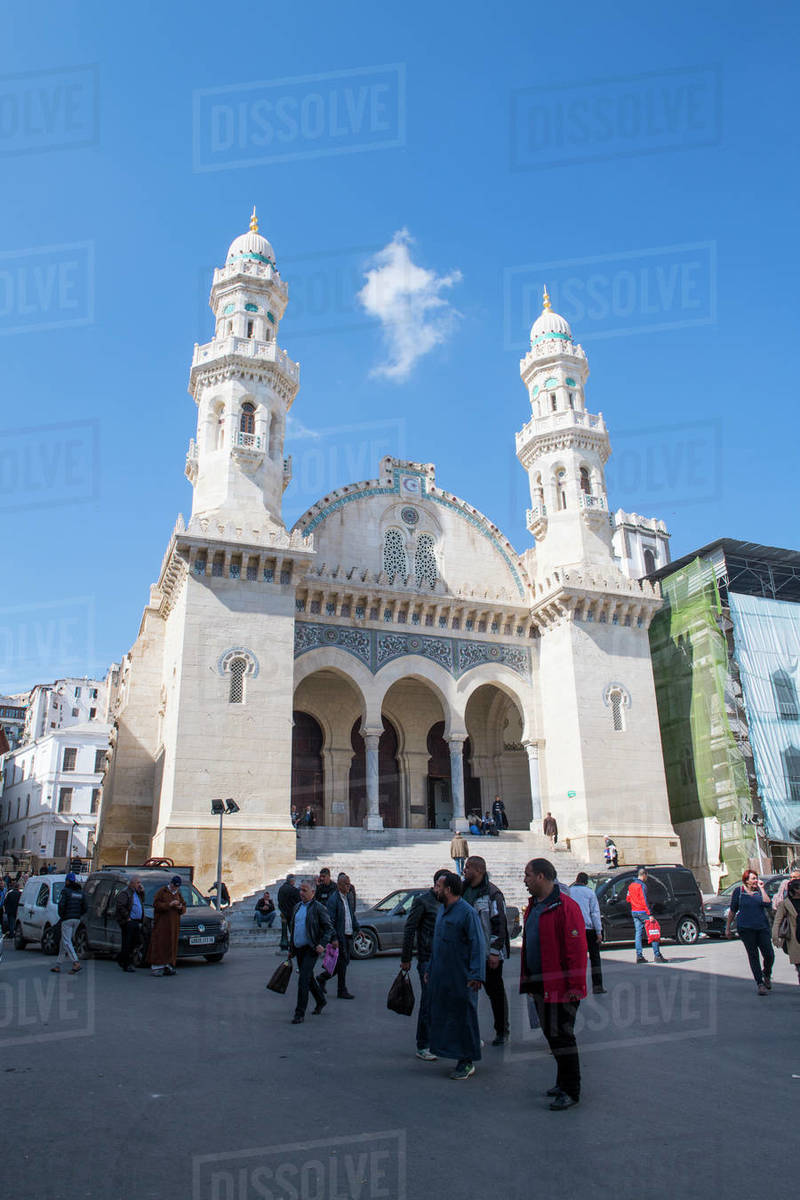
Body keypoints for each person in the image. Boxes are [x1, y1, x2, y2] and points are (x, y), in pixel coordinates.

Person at [520, 858, 587, 1110]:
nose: (524, 880)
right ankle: (562, 1081)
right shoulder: (533, 906)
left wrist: (574, 986)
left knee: (563, 1038)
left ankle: (572, 1089)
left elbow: (576, 950)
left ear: (541, 876)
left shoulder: (566, 907)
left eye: (527, 875)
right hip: (539, 983)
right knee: (551, 1035)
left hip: (562, 987)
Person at [427, 869, 485, 1080]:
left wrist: (477, 975)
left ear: (448, 889)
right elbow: (437, 943)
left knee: (464, 1018)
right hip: (443, 975)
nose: (435, 889)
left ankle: (467, 1060)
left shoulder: (467, 912)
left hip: (462, 976)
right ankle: (452, 1052)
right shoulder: (443, 910)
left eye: (438, 887)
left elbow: (478, 944)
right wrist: (430, 969)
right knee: (446, 1016)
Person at [462, 856, 510, 1045]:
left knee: (495, 992)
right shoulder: (463, 890)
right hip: (468, 952)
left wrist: (494, 952)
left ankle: (502, 1030)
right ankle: (469, 1032)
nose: (464, 870)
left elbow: (499, 924)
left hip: (488, 952)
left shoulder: (493, 893)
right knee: (467, 994)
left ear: (479, 870)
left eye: (468, 867)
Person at [400, 872, 444, 1061]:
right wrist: (406, 957)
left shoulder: (447, 902)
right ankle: (423, 1044)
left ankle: (438, 1040)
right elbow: (410, 928)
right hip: (426, 957)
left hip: (443, 958)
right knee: (428, 1001)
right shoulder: (422, 901)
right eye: (443, 884)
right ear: (436, 884)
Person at [288, 879, 333, 1024]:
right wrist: (291, 949)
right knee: (308, 977)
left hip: (311, 948)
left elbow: (328, 928)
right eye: (300, 890)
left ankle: (299, 1013)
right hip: (299, 948)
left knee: (303, 980)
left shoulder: (318, 908)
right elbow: (294, 929)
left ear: (313, 892)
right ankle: (321, 1000)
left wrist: (322, 944)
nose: (301, 893)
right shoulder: (297, 907)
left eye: (304, 890)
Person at [727, 869, 775, 995]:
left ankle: (767, 974)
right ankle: (760, 983)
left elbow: (767, 903)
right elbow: (732, 910)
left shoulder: (760, 891)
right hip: (746, 928)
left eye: (756, 878)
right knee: (753, 955)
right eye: (753, 878)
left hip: (762, 927)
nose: (756, 881)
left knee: (769, 954)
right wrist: (728, 927)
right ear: (746, 880)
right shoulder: (739, 892)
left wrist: (762, 889)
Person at [318, 872, 359, 999]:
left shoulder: (348, 897)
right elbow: (330, 921)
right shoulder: (333, 899)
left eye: (349, 884)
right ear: (339, 885)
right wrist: (334, 938)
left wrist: (358, 928)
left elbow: (351, 915)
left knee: (343, 962)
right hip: (339, 936)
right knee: (342, 963)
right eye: (346, 884)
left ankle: (322, 978)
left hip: (347, 934)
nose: (349, 887)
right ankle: (341, 990)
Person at [570, 872, 605, 993]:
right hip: (589, 929)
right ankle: (597, 986)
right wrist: (599, 931)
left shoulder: (569, 892)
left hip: (573, 929)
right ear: (586, 882)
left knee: (575, 959)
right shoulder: (590, 893)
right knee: (595, 957)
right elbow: (595, 913)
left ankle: (575, 986)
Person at [626, 867, 667, 964]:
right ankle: (657, 955)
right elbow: (644, 900)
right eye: (646, 876)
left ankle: (639, 956)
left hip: (634, 911)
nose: (646, 878)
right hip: (643, 911)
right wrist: (650, 914)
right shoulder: (642, 886)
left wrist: (634, 903)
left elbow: (628, 898)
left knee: (638, 934)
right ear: (644, 875)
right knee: (653, 930)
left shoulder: (631, 885)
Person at [148, 875, 187, 976]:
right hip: (162, 924)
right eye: (174, 886)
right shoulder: (162, 892)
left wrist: (180, 907)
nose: (175, 888)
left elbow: (184, 906)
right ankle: (157, 967)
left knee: (171, 944)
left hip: (174, 925)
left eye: (177, 887)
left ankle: (168, 965)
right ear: (171, 884)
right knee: (160, 944)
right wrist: (169, 905)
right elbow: (156, 905)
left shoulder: (178, 893)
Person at [50, 873, 86, 975]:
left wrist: (62, 915)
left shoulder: (65, 891)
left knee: (66, 941)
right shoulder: (80, 892)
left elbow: (61, 905)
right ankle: (58, 964)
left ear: (67, 881)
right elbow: (85, 907)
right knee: (64, 941)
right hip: (77, 919)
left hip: (67, 919)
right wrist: (78, 915)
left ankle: (76, 962)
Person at [773, 877, 800, 984]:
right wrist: (775, 937)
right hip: (795, 940)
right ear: (795, 890)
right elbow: (777, 921)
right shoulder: (785, 904)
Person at [115, 875, 145, 972]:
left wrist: (142, 892)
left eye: (140, 883)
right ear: (132, 883)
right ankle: (126, 963)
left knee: (136, 942)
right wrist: (127, 917)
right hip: (129, 921)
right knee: (128, 943)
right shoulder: (125, 893)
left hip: (136, 921)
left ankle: (121, 958)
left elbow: (141, 902)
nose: (139, 885)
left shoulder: (137, 893)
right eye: (138, 883)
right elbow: (120, 906)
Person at [277, 874, 300, 953]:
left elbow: (279, 902)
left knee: (286, 931)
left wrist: (283, 910)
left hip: (284, 913)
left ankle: (285, 946)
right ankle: (293, 948)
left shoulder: (281, 889)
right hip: (291, 913)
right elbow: (298, 901)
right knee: (293, 932)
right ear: (292, 881)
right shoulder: (293, 890)